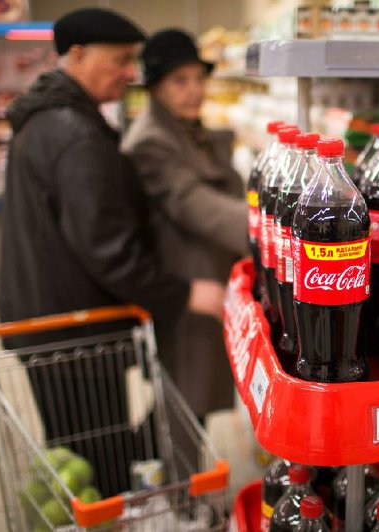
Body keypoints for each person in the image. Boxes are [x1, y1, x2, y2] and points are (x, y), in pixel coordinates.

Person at [0, 8, 224, 495]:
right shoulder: (76, 135)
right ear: (76, 56)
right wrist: (184, 292)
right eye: (120, 60)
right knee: (95, 463)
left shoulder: (50, 118)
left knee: (76, 455)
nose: (130, 73)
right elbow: (110, 250)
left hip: (48, 315)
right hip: (70, 327)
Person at [122, 29, 248, 419]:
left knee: (193, 401)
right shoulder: (151, 141)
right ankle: (176, 480)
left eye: (199, 78)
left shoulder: (189, 129)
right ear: (156, 87)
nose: (194, 90)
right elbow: (194, 204)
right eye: (180, 81)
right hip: (185, 286)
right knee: (183, 402)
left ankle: (179, 475)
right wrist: (267, 230)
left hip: (208, 274)